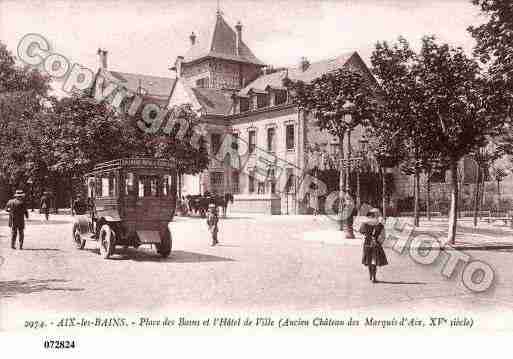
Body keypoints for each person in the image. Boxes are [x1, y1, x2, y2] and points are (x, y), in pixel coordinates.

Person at [360, 208, 388, 283]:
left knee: (368, 260)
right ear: (377, 215)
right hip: (376, 244)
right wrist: (379, 242)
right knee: (374, 261)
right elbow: (383, 236)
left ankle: (370, 276)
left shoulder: (365, 223)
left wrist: (367, 235)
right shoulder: (380, 225)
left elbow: (361, 231)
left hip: (367, 243)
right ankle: (374, 277)